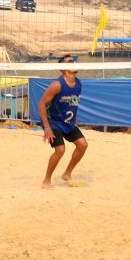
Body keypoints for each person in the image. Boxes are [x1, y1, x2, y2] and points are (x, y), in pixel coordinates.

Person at [38, 55, 88, 188]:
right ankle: (46, 180)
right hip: (53, 122)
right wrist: (47, 128)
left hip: (68, 123)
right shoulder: (57, 85)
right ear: (63, 68)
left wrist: (74, 121)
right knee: (60, 150)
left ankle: (67, 173)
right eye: (70, 62)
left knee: (83, 144)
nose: (74, 63)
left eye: (74, 60)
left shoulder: (79, 83)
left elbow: (73, 104)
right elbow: (42, 104)